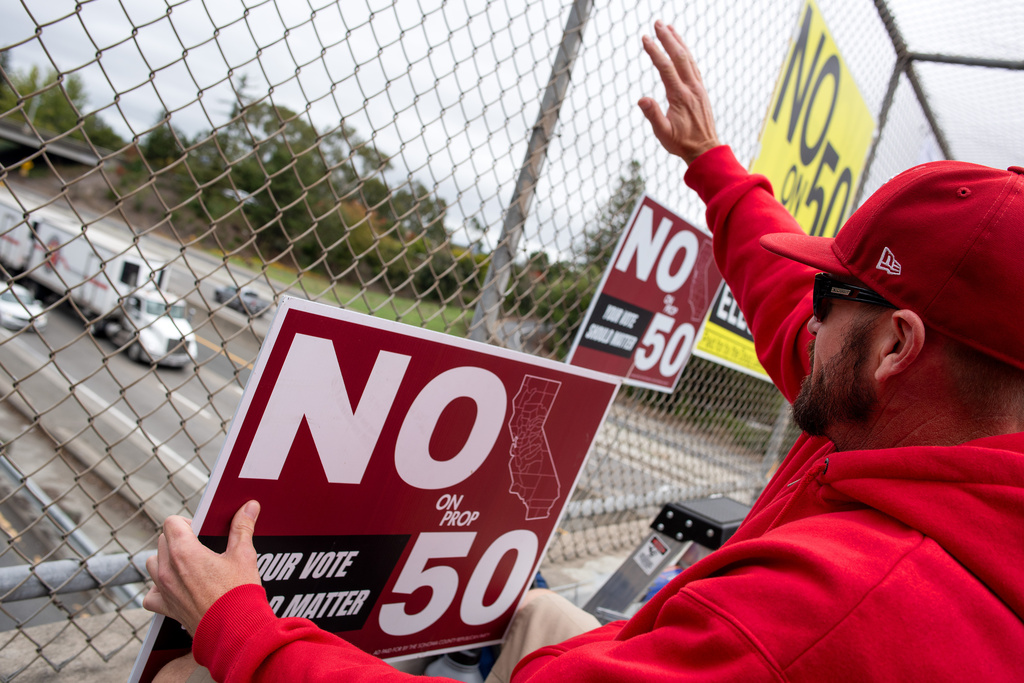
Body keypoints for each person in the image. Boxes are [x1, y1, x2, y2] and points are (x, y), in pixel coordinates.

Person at [144, 20, 1024, 682]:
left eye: (835, 294)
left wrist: (239, 627)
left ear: (896, 348)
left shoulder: (822, 610)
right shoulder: (936, 445)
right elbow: (776, 286)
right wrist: (712, 165)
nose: (809, 318)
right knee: (534, 611)